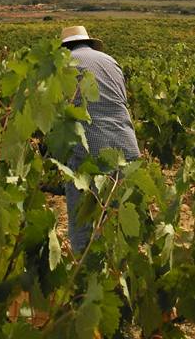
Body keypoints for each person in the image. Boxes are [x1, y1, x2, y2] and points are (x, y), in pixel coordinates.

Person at [60, 25, 140, 253]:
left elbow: (58, 112)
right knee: (121, 221)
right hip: (126, 148)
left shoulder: (62, 65)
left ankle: (84, 279)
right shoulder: (110, 61)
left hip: (88, 152)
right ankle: (121, 277)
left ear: (64, 48)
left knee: (83, 221)